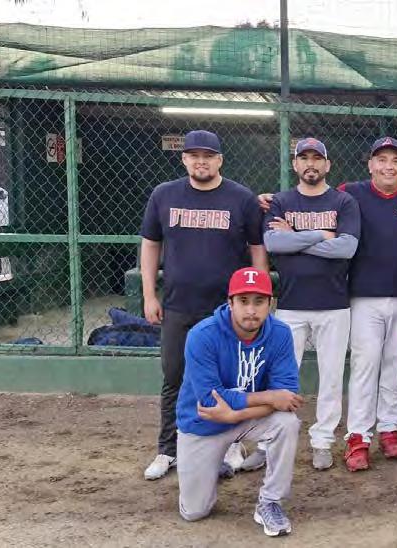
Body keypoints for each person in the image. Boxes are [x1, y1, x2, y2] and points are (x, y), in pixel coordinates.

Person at [139, 129, 268, 480]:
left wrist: (259, 298)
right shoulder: (164, 195)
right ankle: (168, 449)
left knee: (231, 378)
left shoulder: (241, 197)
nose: (201, 161)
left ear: (219, 160)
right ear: (184, 159)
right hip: (178, 304)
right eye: (194, 155)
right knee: (175, 376)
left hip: (226, 310)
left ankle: (230, 445)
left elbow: (257, 248)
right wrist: (149, 295)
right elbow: (150, 244)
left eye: (208, 156)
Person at [173, 267, 302, 537]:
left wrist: (235, 416)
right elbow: (211, 400)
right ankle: (215, 464)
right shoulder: (202, 335)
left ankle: (270, 502)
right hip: (204, 423)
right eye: (243, 301)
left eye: (259, 301)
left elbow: (287, 397)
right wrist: (269, 397)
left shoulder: (280, 333)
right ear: (230, 302)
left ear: (270, 303)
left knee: (287, 422)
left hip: (245, 417)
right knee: (194, 512)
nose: (251, 310)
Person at [263, 137, 360, 471]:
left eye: (317, 158)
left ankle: (322, 441)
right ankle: (271, 439)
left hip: (333, 304)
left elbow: (346, 248)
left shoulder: (343, 201)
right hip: (291, 304)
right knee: (281, 374)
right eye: (303, 158)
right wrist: (321, 234)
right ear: (295, 164)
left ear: (327, 165)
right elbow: (273, 243)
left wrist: (295, 237)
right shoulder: (281, 201)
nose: (310, 164)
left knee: (331, 377)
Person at [338, 137, 397, 472]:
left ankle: (389, 428)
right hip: (364, 296)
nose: (388, 166)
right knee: (365, 364)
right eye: (382, 159)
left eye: (395, 161)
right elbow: (315, 200)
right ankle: (358, 435)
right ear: (370, 164)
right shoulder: (350, 193)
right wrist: (273, 202)